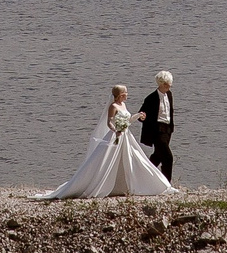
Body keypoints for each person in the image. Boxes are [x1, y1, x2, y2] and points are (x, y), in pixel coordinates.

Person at [34, 84, 178, 200]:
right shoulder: (113, 106)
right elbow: (109, 122)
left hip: (126, 136)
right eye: (125, 93)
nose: (127, 95)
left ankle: (143, 183)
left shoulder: (123, 106)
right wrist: (116, 129)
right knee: (107, 161)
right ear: (120, 95)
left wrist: (138, 116)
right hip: (117, 135)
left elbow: (127, 120)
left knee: (134, 159)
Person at [137, 71, 175, 182]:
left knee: (157, 156)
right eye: (167, 84)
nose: (169, 86)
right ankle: (166, 183)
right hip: (156, 130)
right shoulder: (151, 98)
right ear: (161, 84)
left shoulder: (169, 95)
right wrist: (142, 117)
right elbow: (141, 114)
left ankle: (143, 177)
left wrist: (171, 128)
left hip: (168, 129)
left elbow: (170, 112)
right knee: (168, 157)